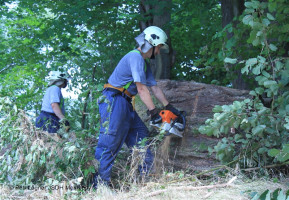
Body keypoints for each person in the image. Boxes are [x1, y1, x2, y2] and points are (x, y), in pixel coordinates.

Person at [94, 26, 181, 187]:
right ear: (151, 43)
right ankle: (99, 187)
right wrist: (154, 112)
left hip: (126, 104)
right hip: (114, 100)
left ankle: (145, 183)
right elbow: (141, 89)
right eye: (159, 47)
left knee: (142, 138)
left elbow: (154, 87)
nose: (158, 52)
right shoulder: (135, 57)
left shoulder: (144, 64)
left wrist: (169, 107)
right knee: (110, 141)